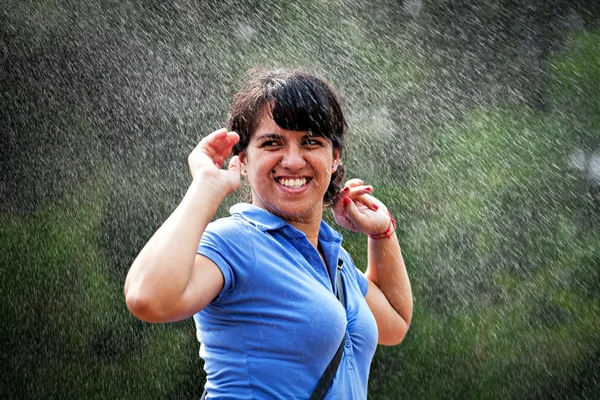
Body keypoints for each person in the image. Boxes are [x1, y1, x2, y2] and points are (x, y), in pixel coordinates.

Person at [124, 68, 413, 399]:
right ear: (243, 160)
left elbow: (395, 324)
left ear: (334, 158)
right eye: (272, 142)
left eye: (311, 142)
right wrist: (206, 187)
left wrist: (382, 234)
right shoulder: (233, 242)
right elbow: (146, 298)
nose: (292, 160)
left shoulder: (336, 262)